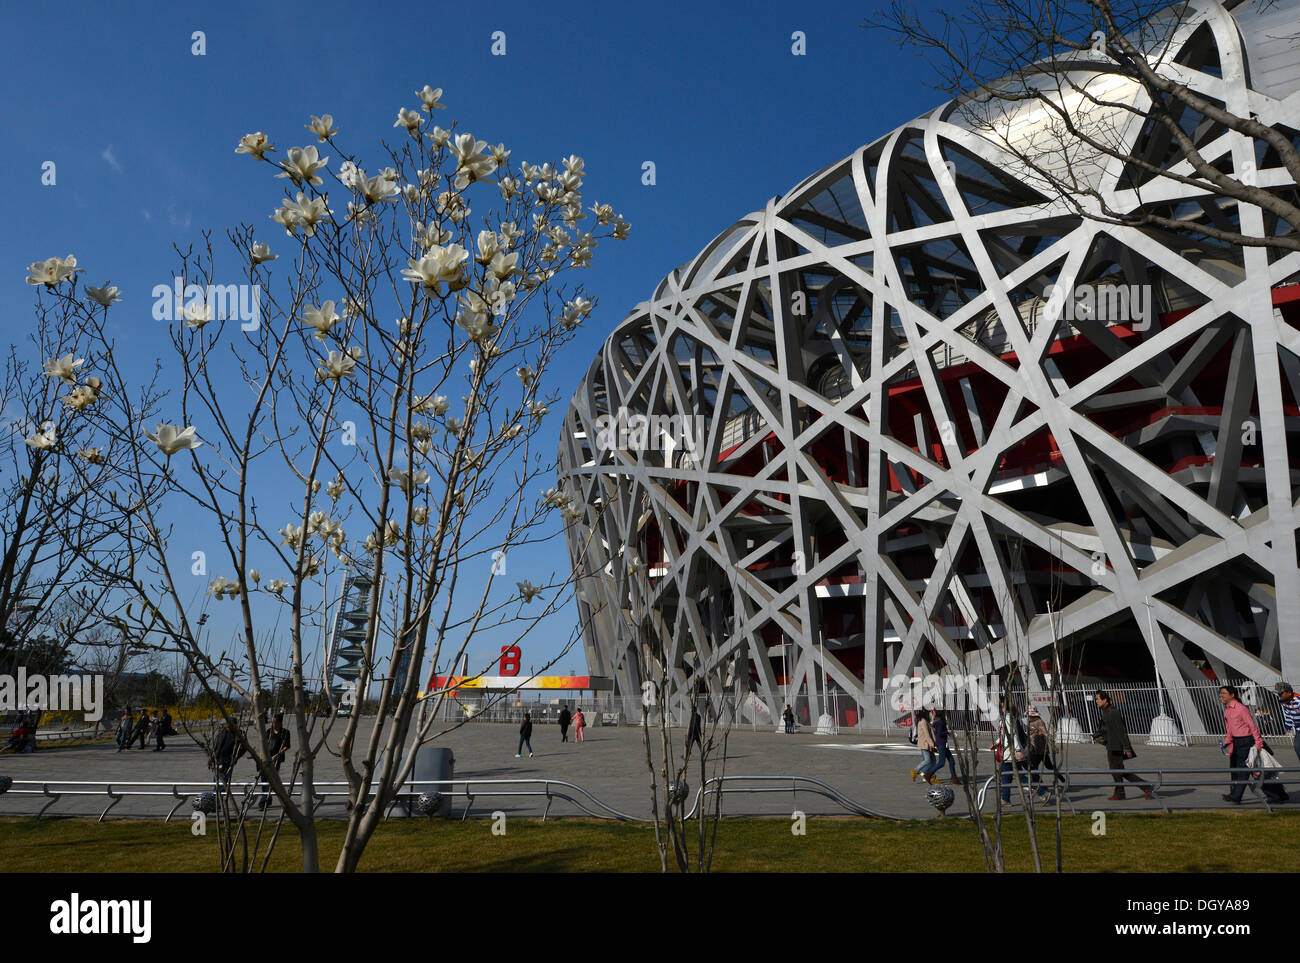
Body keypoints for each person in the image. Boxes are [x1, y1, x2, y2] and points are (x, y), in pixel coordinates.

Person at [1093, 690, 1153, 800]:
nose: (1096, 701)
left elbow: (1121, 731)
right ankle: (1138, 788)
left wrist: (1127, 748)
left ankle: (1139, 788)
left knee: (1117, 771)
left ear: (1105, 700)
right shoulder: (1106, 711)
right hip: (1111, 745)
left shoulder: (1112, 712)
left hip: (1116, 747)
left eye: (1097, 699)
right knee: (1119, 771)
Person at [1219, 685, 1264, 804]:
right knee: (1234, 768)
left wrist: (1258, 743)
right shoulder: (1227, 710)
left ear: (1232, 695)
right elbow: (1229, 729)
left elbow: (1252, 726)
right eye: (1220, 693)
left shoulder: (1241, 708)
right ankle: (1234, 793)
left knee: (1244, 770)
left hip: (1246, 741)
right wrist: (1226, 741)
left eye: (1223, 693)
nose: (1221, 696)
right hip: (1236, 742)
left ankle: (1236, 796)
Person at [995, 700, 1031, 804]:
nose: (999, 709)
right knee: (1010, 776)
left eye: (1001, 707)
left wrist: (1018, 750)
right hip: (1010, 752)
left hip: (1009, 753)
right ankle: (1005, 799)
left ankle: (1041, 791)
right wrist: (996, 743)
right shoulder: (1009, 718)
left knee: (1014, 776)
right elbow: (1004, 735)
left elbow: (1012, 736)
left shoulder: (1007, 719)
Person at [1025, 704, 1065, 797]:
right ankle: (1046, 785)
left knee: (1036, 768)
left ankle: (1041, 788)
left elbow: (1046, 734)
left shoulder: (1038, 722)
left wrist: (1054, 746)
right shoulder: (1031, 722)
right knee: (1042, 767)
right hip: (1035, 749)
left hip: (1039, 749)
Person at [1260, 682, 1300, 765]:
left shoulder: (1298, 701)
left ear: (1289, 692)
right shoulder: (1284, 702)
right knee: (1297, 747)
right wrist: (1287, 727)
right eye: (1278, 693)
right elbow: (1288, 715)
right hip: (1298, 730)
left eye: (1281, 693)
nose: (1279, 695)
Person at [260, 712, 291, 809]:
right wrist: (261, 753)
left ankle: (264, 800)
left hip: (276, 759)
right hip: (266, 757)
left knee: (271, 777)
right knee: (263, 778)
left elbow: (287, 746)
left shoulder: (285, 732)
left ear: (279, 722)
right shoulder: (269, 731)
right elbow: (263, 743)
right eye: (271, 722)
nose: (272, 724)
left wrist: (276, 756)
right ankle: (266, 799)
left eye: (274, 722)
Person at [921, 709, 961, 785]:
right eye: (945, 714)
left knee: (951, 761)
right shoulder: (940, 722)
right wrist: (948, 732)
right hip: (941, 744)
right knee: (941, 763)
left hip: (942, 743)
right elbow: (939, 734)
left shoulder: (937, 721)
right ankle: (928, 775)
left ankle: (954, 778)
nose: (946, 715)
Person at [211, 720, 243, 785]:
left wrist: (234, 757)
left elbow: (243, 748)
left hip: (228, 761)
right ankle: (217, 793)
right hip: (217, 760)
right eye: (227, 725)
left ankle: (222, 793)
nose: (227, 726)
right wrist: (211, 759)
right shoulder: (222, 732)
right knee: (216, 781)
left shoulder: (239, 734)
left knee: (223, 781)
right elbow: (216, 747)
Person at [910, 708, 937, 782]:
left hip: (928, 743)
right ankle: (915, 771)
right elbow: (927, 734)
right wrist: (932, 744)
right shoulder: (923, 721)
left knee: (933, 761)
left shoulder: (925, 721)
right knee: (927, 760)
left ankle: (928, 776)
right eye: (929, 713)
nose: (930, 714)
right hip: (925, 744)